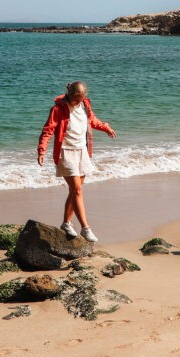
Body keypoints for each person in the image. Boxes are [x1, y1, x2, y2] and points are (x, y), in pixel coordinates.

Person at [37, 81, 116, 242]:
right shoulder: (58, 109)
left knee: (75, 191)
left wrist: (105, 127)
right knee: (77, 190)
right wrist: (42, 150)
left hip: (83, 151)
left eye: (80, 99)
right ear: (69, 94)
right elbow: (48, 130)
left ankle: (66, 223)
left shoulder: (85, 105)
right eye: (75, 99)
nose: (77, 102)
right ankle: (86, 228)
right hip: (65, 152)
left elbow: (92, 121)